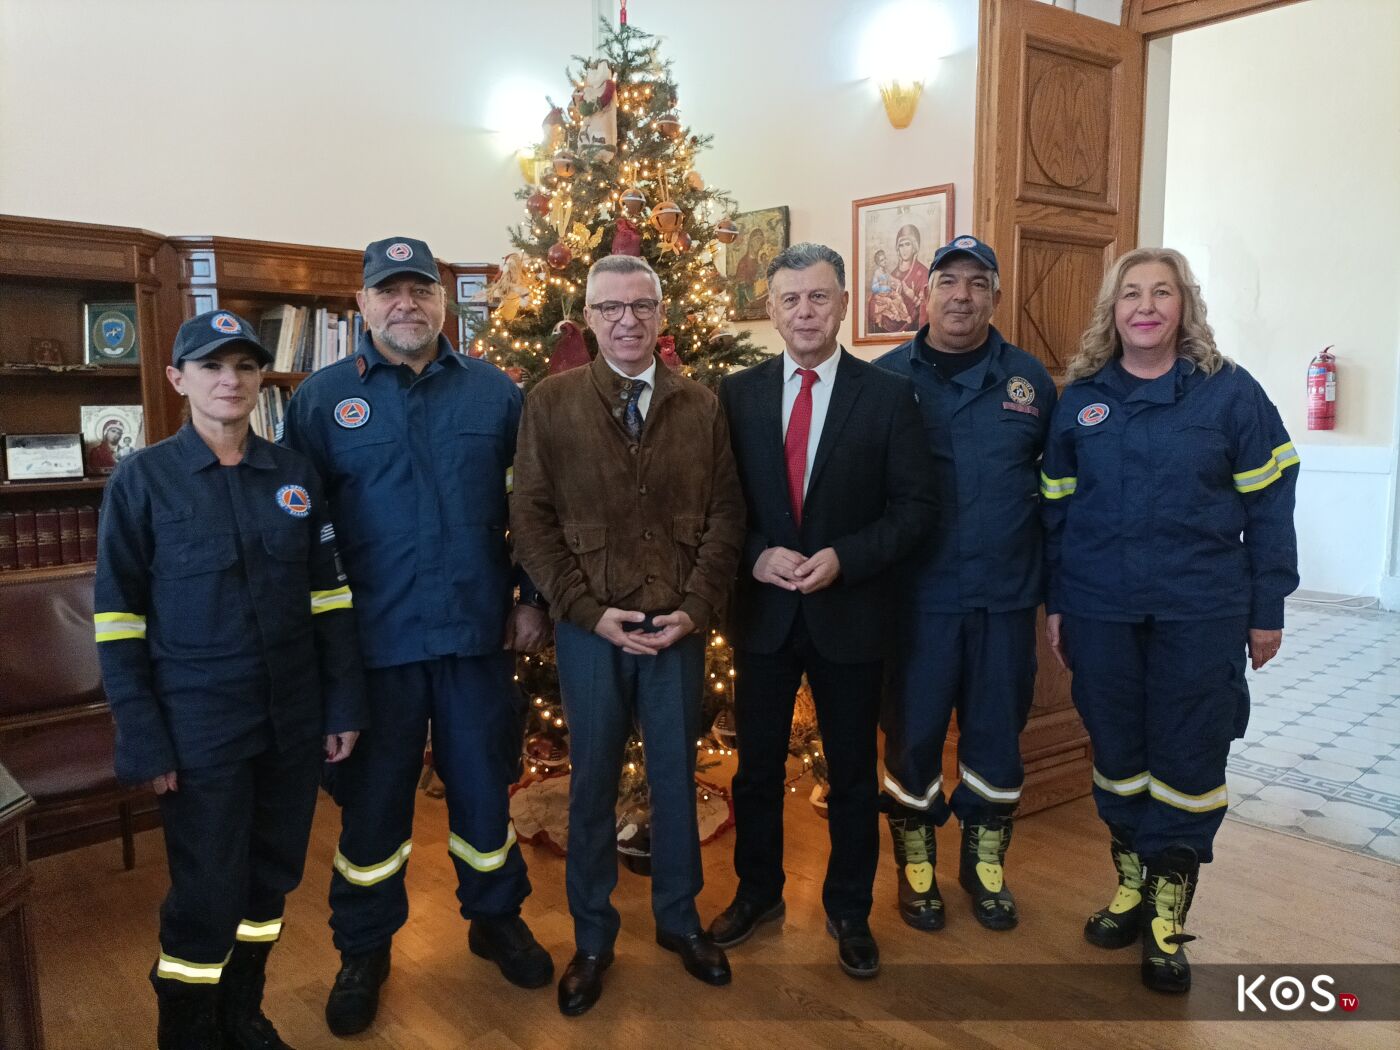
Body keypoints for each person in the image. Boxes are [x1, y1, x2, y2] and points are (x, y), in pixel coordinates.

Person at [281, 237, 553, 1036]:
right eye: (389, 291)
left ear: (442, 301)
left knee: (483, 794)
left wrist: (532, 597)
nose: (406, 304)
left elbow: (531, 508)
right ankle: (363, 949)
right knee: (372, 814)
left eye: (421, 290)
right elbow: (299, 530)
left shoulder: (496, 395)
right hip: (373, 648)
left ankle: (495, 918)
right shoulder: (321, 401)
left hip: (475, 637)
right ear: (362, 304)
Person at [95, 310, 366, 1050]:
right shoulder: (142, 481)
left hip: (292, 719)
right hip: (199, 726)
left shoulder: (295, 477)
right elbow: (117, 622)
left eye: (245, 366)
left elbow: (330, 599)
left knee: (271, 877)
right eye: (212, 366)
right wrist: (144, 738)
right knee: (208, 888)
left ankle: (242, 1010)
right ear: (178, 380)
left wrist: (342, 704)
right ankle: (187, 1026)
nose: (230, 380)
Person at [1040, 247, 1299, 993]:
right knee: (1118, 752)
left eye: (1162, 292)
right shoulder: (1081, 400)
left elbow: (1271, 504)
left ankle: (1166, 913)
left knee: (1189, 760)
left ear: (1184, 306)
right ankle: (1132, 881)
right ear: (1113, 310)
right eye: (1131, 294)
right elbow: (1056, 511)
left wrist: (1267, 607)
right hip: (1100, 610)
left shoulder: (1230, 394)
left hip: (1202, 611)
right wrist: (1059, 602)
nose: (1146, 306)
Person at [511, 254, 745, 1017]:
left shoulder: (700, 406)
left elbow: (727, 516)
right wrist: (584, 610)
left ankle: (680, 920)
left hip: (677, 626)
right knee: (592, 787)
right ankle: (592, 938)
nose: (627, 321)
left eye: (641, 305)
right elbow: (530, 521)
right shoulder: (550, 405)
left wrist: (695, 607)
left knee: (675, 780)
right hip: (592, 631)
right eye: (610, 308)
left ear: (660, 314)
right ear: (588, 318)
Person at [711, 242, 937, 978]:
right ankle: (757, 893)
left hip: (852, 616)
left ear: (842, 304)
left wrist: (846, 557)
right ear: (772, 310)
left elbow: (915, 509)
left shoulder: (889, 396)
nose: (804, 311)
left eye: (818, 297)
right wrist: (752, 554)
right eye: (790, 299)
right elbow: (714, 504)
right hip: (764, 616)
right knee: (755, 772)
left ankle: (849, 909)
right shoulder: (735, 395)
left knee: (851, 776)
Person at [875, 235, 1056, 934]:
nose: (961, 296)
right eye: (948, 281)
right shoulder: (886, 378)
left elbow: (1058, 493)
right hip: (916, 601)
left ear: (995, 298)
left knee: (997, 738)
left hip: (1005, 597)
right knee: (912, 736)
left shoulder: (1030, 381)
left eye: (978, 284)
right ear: (925, 294)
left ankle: (984, 865)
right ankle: (916, 864)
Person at [869, 224, 929, 334]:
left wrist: (913, 297)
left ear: (914, 247)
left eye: (907, 244)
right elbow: (874, 302)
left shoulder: (924, 273)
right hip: (886, 332)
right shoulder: (891, 274)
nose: (904, 249)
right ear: (897, 248)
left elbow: (929, 311)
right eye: (901, 245)